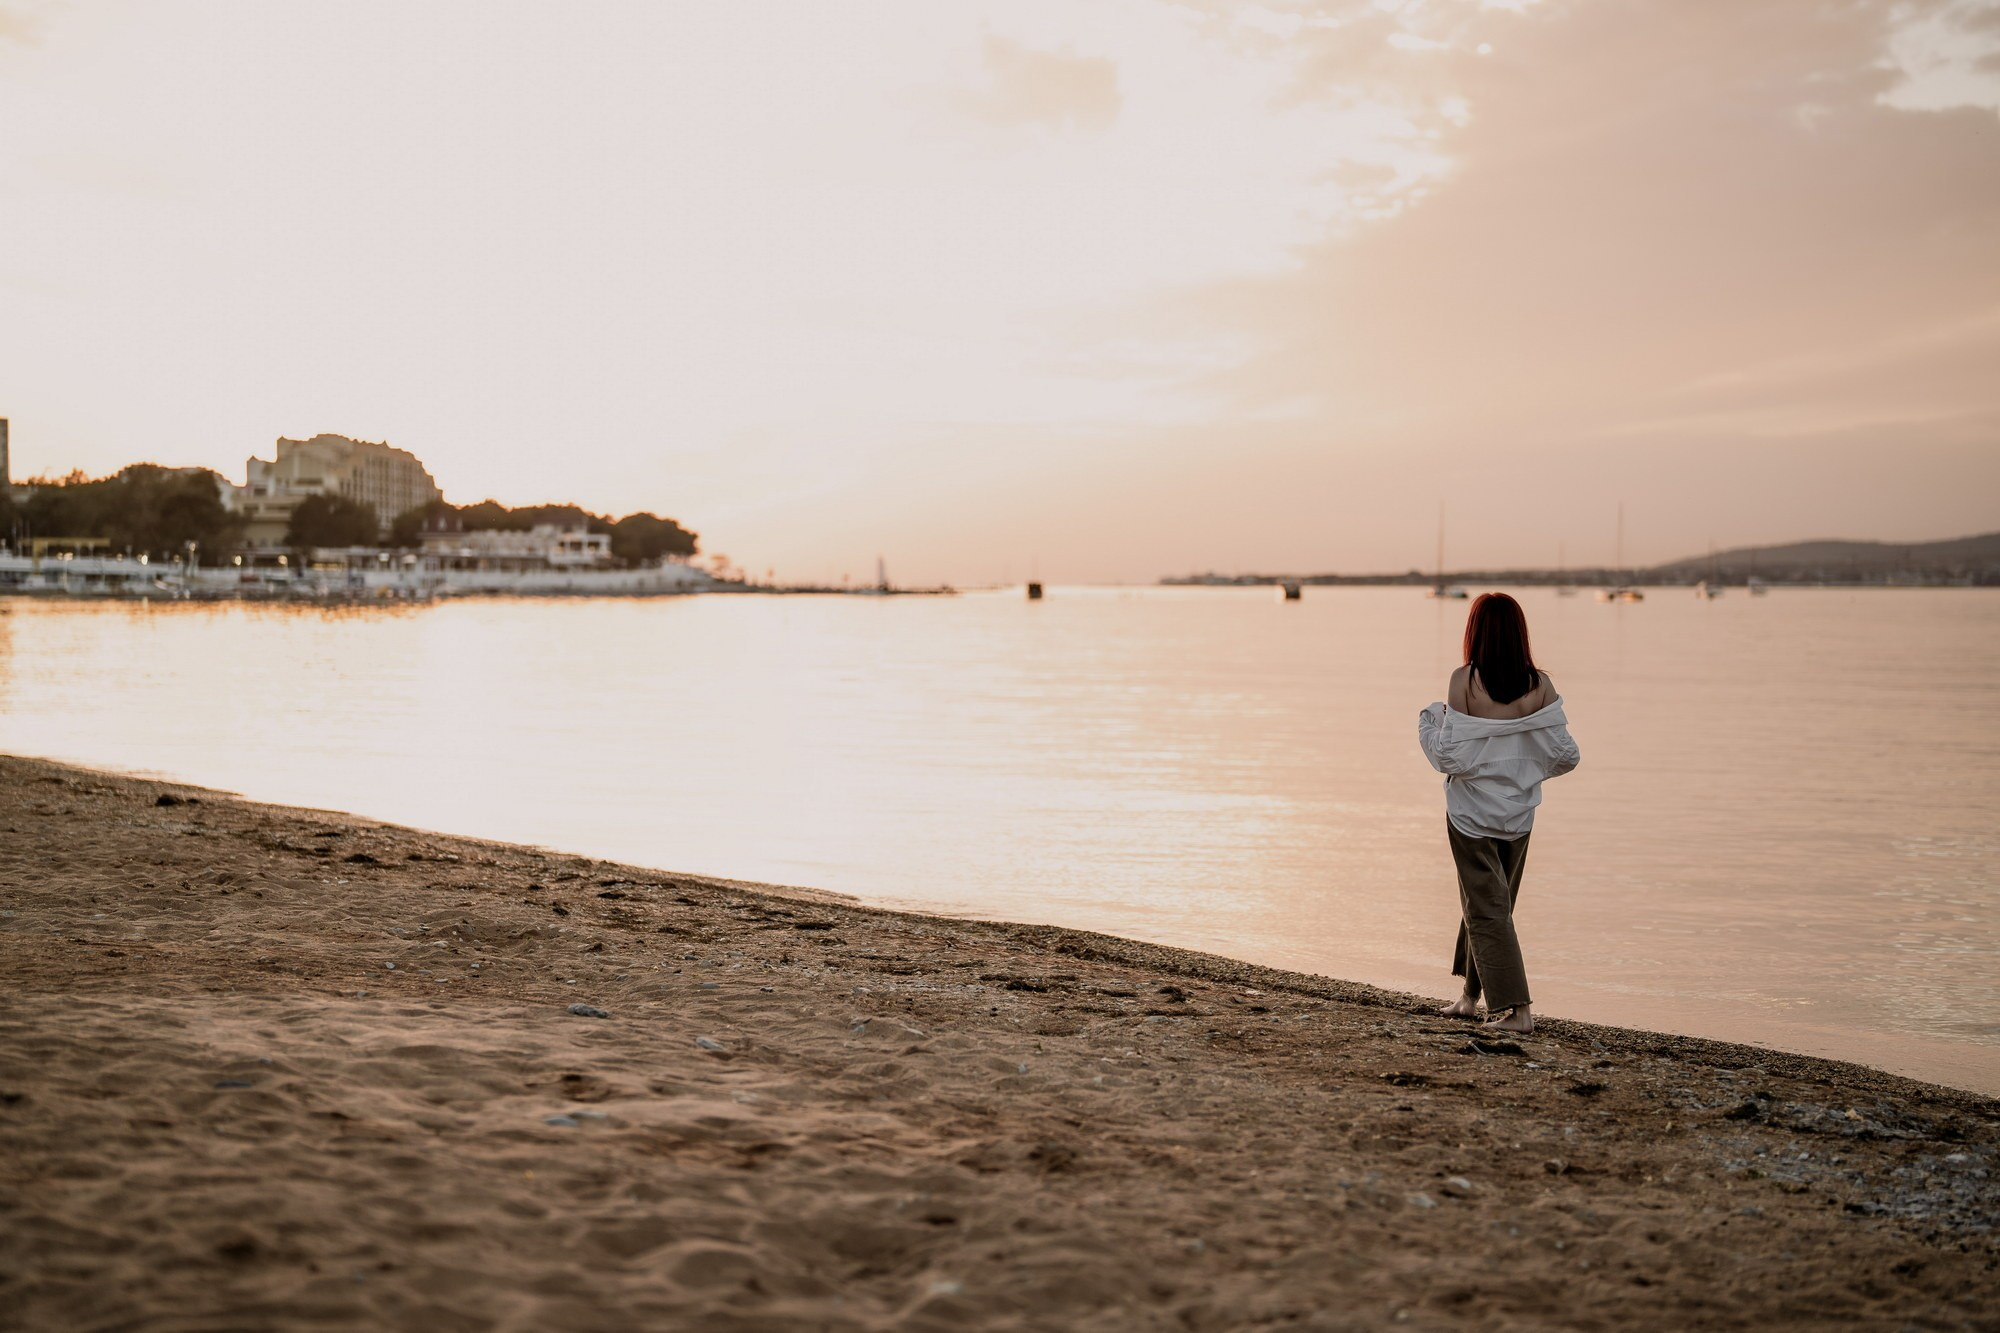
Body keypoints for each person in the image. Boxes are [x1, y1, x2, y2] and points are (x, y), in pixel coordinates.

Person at [1417, 592, 1580, 1036]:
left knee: (1488, 910)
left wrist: (1428, 721)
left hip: (1470, 817)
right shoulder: (1541, 686)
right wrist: (1525, 769)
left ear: (1476, 634)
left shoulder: (1464, 681)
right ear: (1518, 634)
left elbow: (1451, 758)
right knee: (1491, 904)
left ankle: (1517, 1011)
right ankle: (1470, 998)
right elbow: (1565, 756)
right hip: (1519, 816)